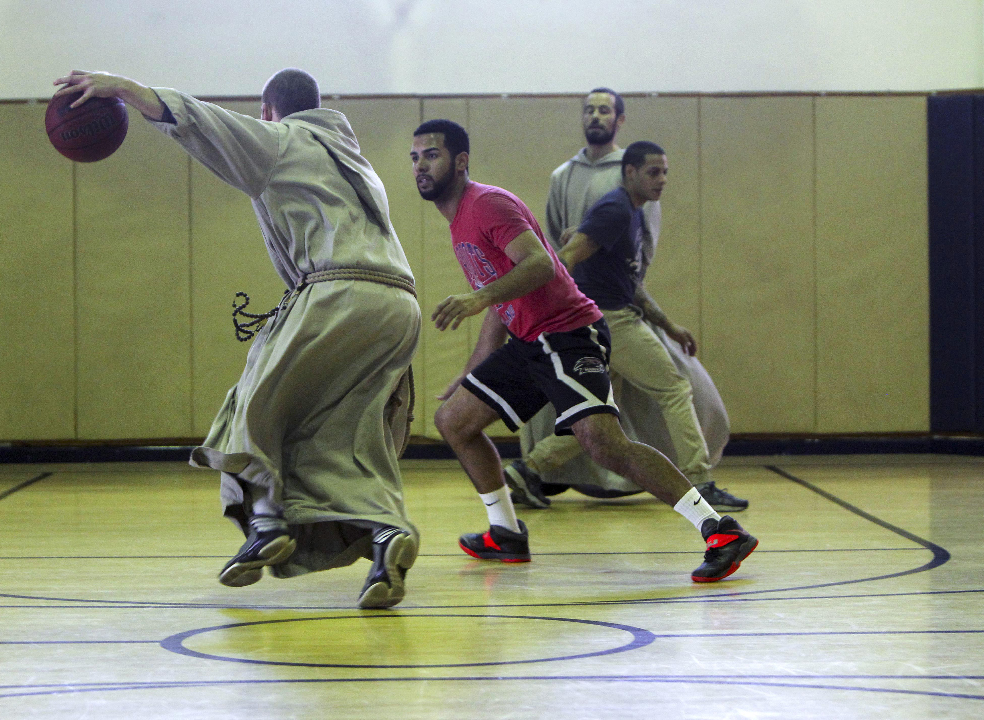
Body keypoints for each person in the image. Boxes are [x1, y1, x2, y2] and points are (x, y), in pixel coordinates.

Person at [53, 68, 420, 609]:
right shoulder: (354, 159)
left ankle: (269, 523)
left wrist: (126, 89)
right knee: (345, 435)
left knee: (249, 405)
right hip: (397, 304)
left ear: (269, 111)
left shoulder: (285, 139)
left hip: (339, 291)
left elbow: (202, 122)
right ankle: (387, 534)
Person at [410, 119, 757, 582]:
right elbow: (500, 300)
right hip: (532, 341)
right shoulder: (459, 222)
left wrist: (477, 299)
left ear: (460, 161)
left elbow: (539, 264)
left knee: (604, 445)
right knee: (454, 420)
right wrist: (475, 368)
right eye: (414, 158)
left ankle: (720, 530)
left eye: (430, 155)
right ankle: (506, 532)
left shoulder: (487, 204)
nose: (420, 166)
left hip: (569, 333)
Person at [508, 88, 746, 512]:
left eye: (665, 173)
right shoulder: (615, 210)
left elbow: (626, 277)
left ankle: (528, 469)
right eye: (654, 173)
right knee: (675, 387)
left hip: (604, 319)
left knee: (602, 416)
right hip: (611, 322)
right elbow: (565, 258)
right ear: (630, 171)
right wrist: (549, 308)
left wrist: (668, 324)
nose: (662, 181)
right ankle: (700, 481)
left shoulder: (629, 213)